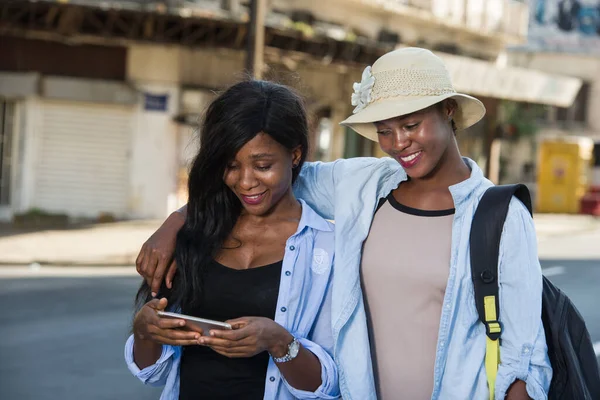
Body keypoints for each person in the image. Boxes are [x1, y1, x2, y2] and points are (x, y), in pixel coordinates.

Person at [136, 48, 552, 399]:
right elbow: (261, 180)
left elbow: (523, 351)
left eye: (411, 125)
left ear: (448, 111)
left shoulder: (499, 213)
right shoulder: (365, 186)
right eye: (385, 131)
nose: (399, 143)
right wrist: (176, 220)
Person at [125, 80, 340, 400]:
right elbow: (153, 372)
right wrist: (145, 332)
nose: (245, 181)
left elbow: (329, 385)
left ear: (295, 155)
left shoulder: (327, 248)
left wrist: (279, 341)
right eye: (230, 166)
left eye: (263, 165)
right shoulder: (193, 234)